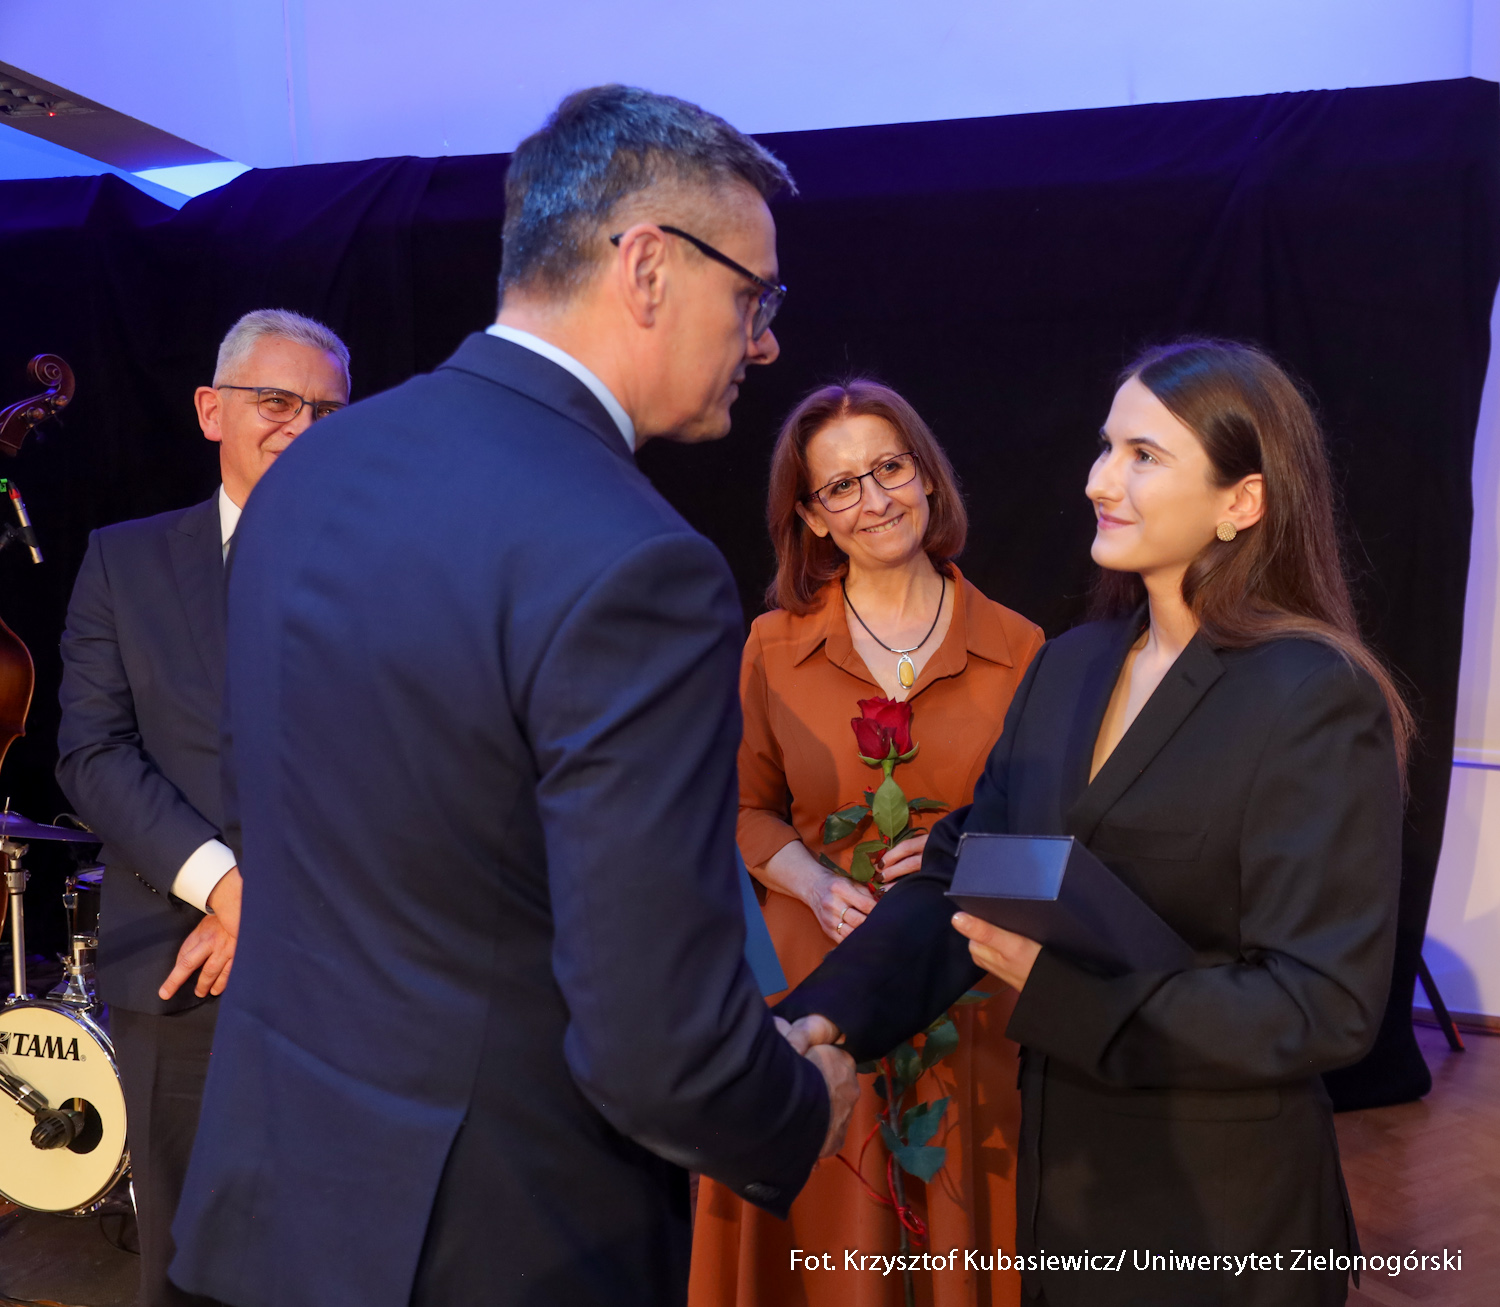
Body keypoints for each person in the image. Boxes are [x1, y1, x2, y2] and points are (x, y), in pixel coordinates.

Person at [169, 86, 858, 1307]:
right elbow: (654, 1045)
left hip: (270, 1207)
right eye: (755, 297)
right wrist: (798, 1102)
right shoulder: (635, 560)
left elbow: (279, 807)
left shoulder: (309, 472)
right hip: (497, 1241)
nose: (763, 343)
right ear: (647, 266)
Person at [779, 340, 1407, 1307]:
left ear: (1242, 501)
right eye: (1107, 446)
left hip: (1222, 1216)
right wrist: (815, 1019)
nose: (1098, 480)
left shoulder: (1314, 695)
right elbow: (959, 878)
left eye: (1143, 455)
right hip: (1064, 1192)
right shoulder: (1070, 664)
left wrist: (1064, 994)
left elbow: (1321, 1004)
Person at [691, 380, 1042, 1307]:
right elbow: (738, 809)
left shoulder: (1021, 647)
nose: (874, 499)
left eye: (889, 467)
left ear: (927, 477)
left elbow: (1053, 848)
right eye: (841, 486)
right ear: (811, 516)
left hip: (963, 990)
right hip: (813, 977)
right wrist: (810, 880)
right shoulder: (771, 646)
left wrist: (961, 857)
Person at [55, 308, 351, 1307]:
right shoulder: (124, 561)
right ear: (210, 410)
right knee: (188, 1268)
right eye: (277, 401)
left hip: (349, 967)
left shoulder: (392, 565)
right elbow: (92, 752)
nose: (302, 426)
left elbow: (405, 758)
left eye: (327, 410)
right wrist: (228, 888)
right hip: (182, 973)